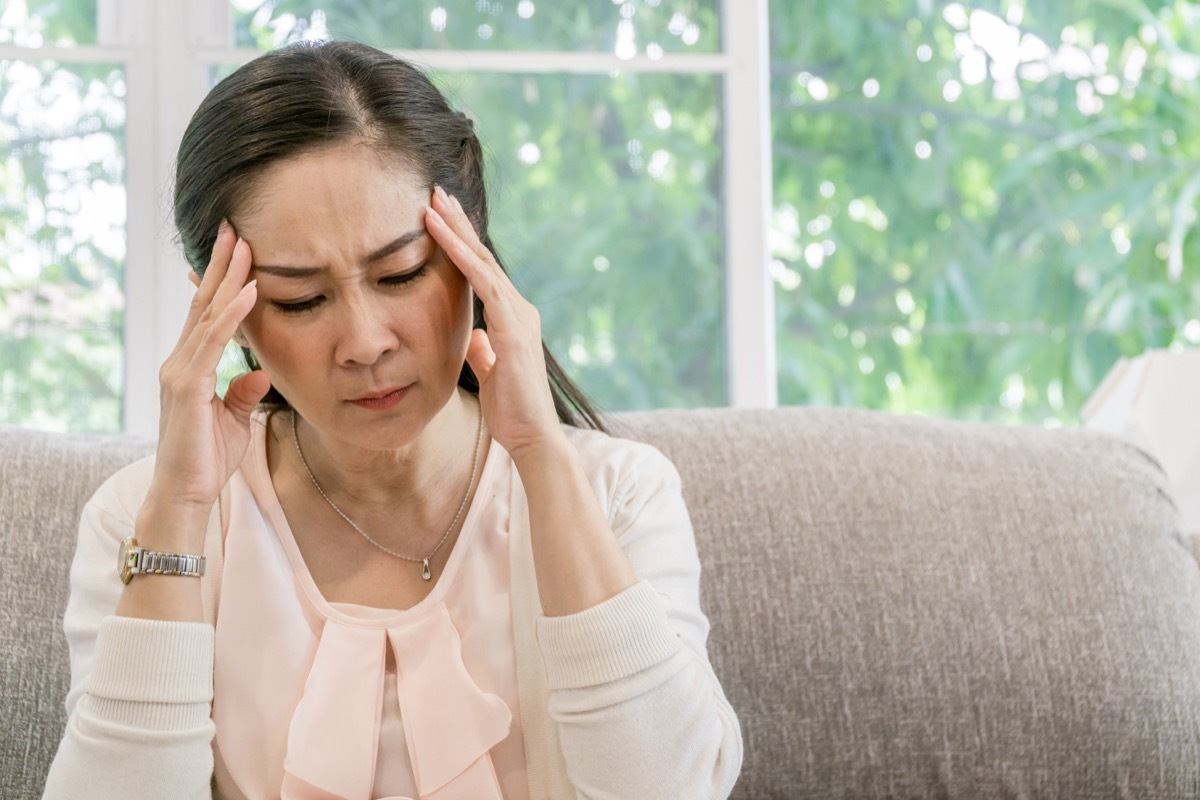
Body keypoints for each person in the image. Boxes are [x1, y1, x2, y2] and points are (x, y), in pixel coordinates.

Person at [42, 39, 742, 800]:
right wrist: (178, 515)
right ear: (228, 312)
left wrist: (541, 456)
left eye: (402, 273)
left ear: (472, 252)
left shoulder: (620, 494)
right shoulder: (138, 521)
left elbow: (671, 788)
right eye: (301, 298)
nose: (367, 343)